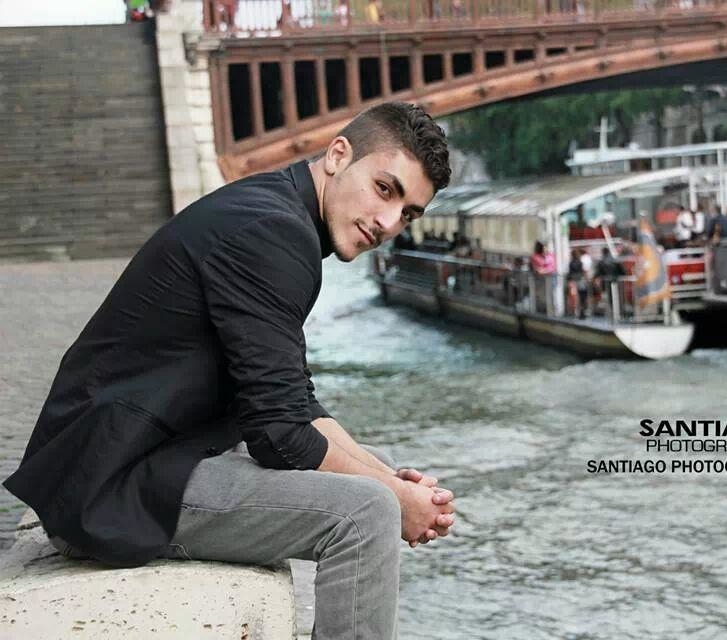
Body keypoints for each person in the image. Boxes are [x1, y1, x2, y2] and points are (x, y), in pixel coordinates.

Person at [3, 102, 454, 640]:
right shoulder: (273, 233)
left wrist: (390, 479)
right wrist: (393, 498)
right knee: (367, 514)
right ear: (338, 155)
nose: (388, 223)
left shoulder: (276, 212)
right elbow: (280, 434)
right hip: (110, 485)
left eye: (408, 214)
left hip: (153, 452)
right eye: (384, 189)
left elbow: (292, 400)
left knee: (377, 471)